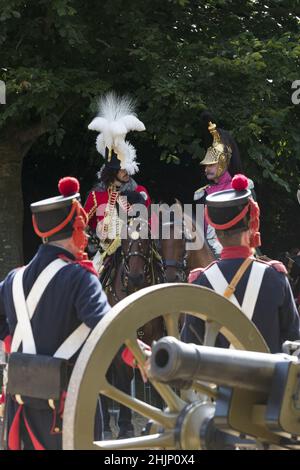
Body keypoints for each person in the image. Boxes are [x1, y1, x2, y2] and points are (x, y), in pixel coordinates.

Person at [0, 176, 111, 450]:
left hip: (22, 405)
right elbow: (108, 326)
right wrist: (139, 355)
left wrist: (16, 346)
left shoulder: (13, 279)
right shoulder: (81, 278)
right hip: (68, 408)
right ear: (77, 228)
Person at [182, 174, 300, 353]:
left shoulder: (202, 281)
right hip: (269, 381)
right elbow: (293, 341)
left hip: (221, 380)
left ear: (217, 233)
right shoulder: (275, 277)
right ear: (252, 225)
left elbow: (190, 346)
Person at [84, 92, 151, 274]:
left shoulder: (139, 191)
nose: (126, 171)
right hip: (105, 255)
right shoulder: (96, 196)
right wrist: (93, 238)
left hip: (137, 254)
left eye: (126, 168)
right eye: (121, 168)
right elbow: (82, 224)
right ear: (112, 171)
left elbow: (148, 224)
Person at [193, 111, 254, 257]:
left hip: (238, 248)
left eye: (211, 165)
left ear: (222, 164)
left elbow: (251, 221)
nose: (207, 169)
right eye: (206, 166)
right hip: (207, 250)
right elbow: (199, 229)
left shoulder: (240, 187)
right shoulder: (202, 193)